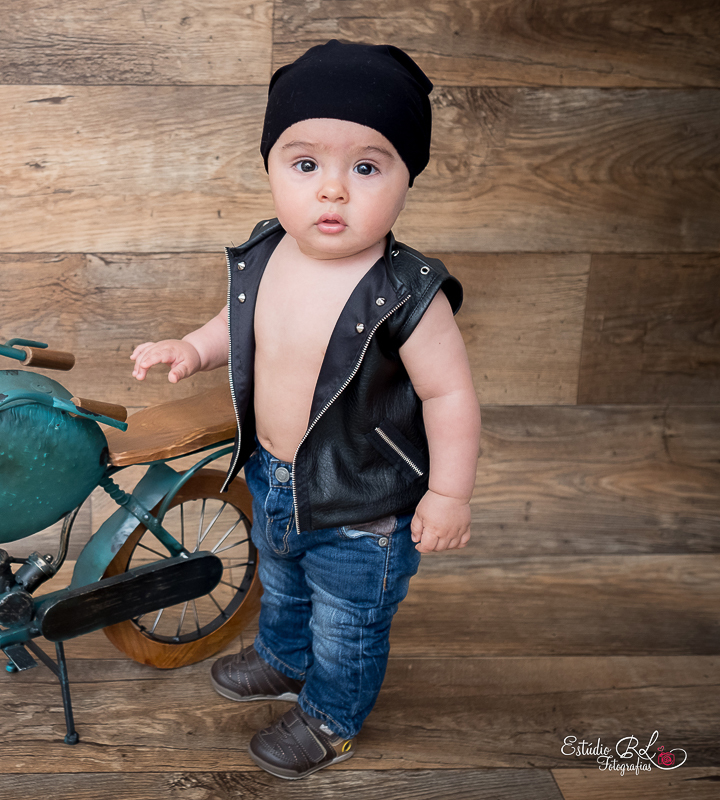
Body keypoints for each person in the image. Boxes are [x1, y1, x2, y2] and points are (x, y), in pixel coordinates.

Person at [129, 40, 480, 780]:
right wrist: (192, 348)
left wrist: (449, 494)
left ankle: (332, 716)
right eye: (306, 164)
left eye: (366, 168)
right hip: (275, 478)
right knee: (282, 583)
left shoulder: (409, 294)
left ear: (407, 178)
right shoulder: (268, 252)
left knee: (348, 622)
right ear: (270, 169)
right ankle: (284, 659)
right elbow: (238, 321)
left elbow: (449, 395)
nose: (333, 191)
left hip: (363, 506)